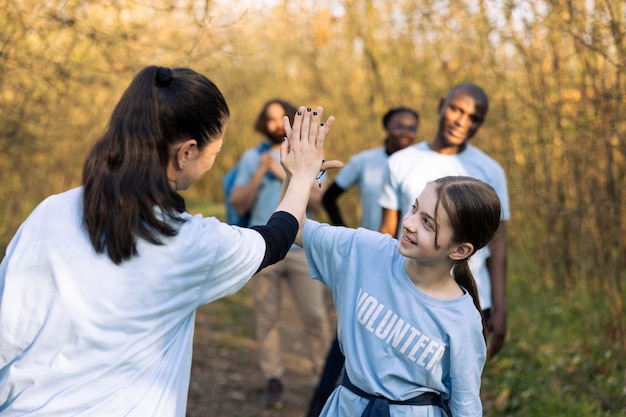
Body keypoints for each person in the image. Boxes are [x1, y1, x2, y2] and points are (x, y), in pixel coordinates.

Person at [0, 65, 341, 417]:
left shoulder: (50, 212)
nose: (214, 159)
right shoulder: (191, 244)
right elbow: (276, 238)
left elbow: (7, 332)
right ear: (186, 153)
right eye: (216, 150)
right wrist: (302, 175)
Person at [293, 175, 503, 417]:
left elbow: (465, 407)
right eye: (414, 208)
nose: (410, 223)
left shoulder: (463, 320)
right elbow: (295, 228)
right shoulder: (365, 251)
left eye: (428, 223)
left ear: (459, 250)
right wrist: (298, 172)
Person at [378, 83, 510, 361]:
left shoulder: (490, 171)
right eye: (456, 109)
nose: (462, 121)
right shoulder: (401, 162)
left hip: (472, 300)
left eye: (473, 117)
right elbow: (386, 233)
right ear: (441, 105)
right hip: (407, 295)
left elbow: (497, 248)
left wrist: (499, 306)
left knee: (457, 387)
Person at [306, 106, 419, 416]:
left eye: (412, 127)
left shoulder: (420, 164)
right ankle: (321, 401)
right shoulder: (366, 162)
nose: (405, 132)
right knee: (350, 332)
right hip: (370, 259)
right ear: (387, 126)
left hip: (413, 266)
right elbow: (329, 197)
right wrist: (345, 232)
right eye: (399, 125)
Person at [229, 99, 331, 409]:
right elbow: (238, 204)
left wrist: (289, 174)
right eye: (269, 119)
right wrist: (261, 172)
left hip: (301, 247)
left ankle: (323, 380)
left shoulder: (309, 155)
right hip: (263, 245)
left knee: (315, 316)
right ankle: (273, 378)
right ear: (264, 123)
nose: (275, 124)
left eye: (280, 118)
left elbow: (316, 201)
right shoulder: (251, 158)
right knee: (267, 316)